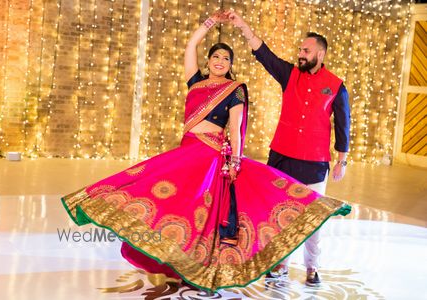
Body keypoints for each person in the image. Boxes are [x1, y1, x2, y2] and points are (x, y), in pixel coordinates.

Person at [61, 11, 350, 292]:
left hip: (212, 161)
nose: (220, 61)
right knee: (170, 205)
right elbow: (191, 46)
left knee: (202, 217)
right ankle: (176, 262)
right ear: (208, 61)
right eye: (215, 56)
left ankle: (209, 266)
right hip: (186, 155)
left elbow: (235, 129)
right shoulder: (196, 82)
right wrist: (209, 24)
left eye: (226, 58)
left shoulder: (235, 89)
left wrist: (236, 160)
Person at [226, 10, 351, 286]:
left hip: (315, 163)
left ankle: (312, 267)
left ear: (320, 54)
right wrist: (243, 27)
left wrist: (342, 160)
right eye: (299, 49)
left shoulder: (336, 86)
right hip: (281, 157)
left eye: (306, 50)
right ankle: (281, 264)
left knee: (313, 219)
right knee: (279, 213)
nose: (300, 54)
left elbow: (343, 125)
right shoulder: (290, 75)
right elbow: (264, 54)